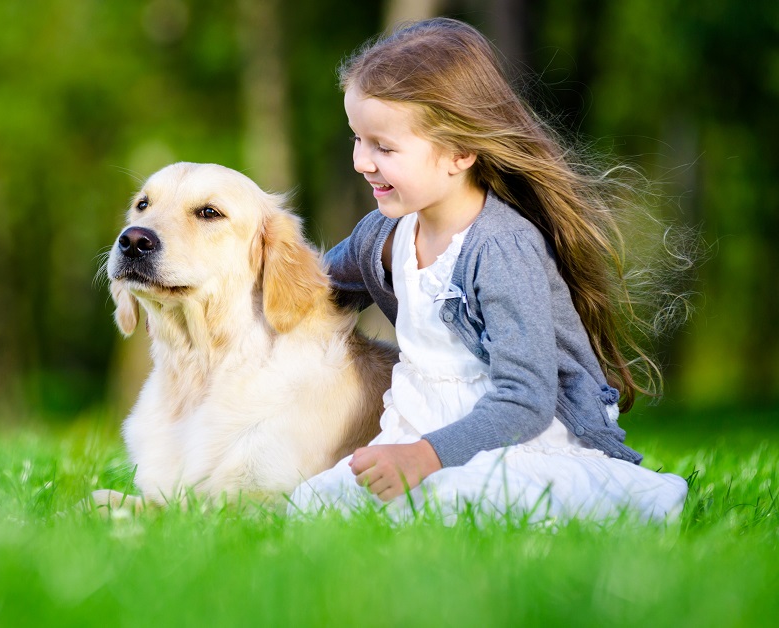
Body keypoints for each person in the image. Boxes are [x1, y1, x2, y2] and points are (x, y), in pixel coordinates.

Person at [288, 18, 688, 523]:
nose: (361, 162)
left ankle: (627, 498)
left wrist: (423, 456)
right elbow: (310, 297)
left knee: (454, 506)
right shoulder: (382, 237)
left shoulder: (501, 248)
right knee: (313, 504)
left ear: (460, 152)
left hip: (526, 444)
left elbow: (526, 401)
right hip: (417, 439)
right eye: (358, 139)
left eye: (384, 147)